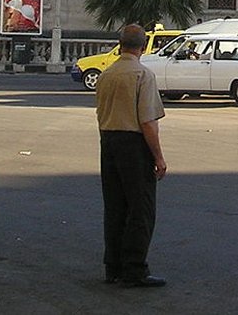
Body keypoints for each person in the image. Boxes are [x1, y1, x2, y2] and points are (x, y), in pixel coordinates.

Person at [96, 24, 168, 288]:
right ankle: (134, 269)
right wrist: (158, 157)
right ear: (144, 45)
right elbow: (148, 121)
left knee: (115, 207)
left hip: (108, 141)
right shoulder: (142, 75)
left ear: (120, 43)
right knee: (141, 209)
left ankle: (112, 266)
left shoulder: (107, 74)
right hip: (133, 144)